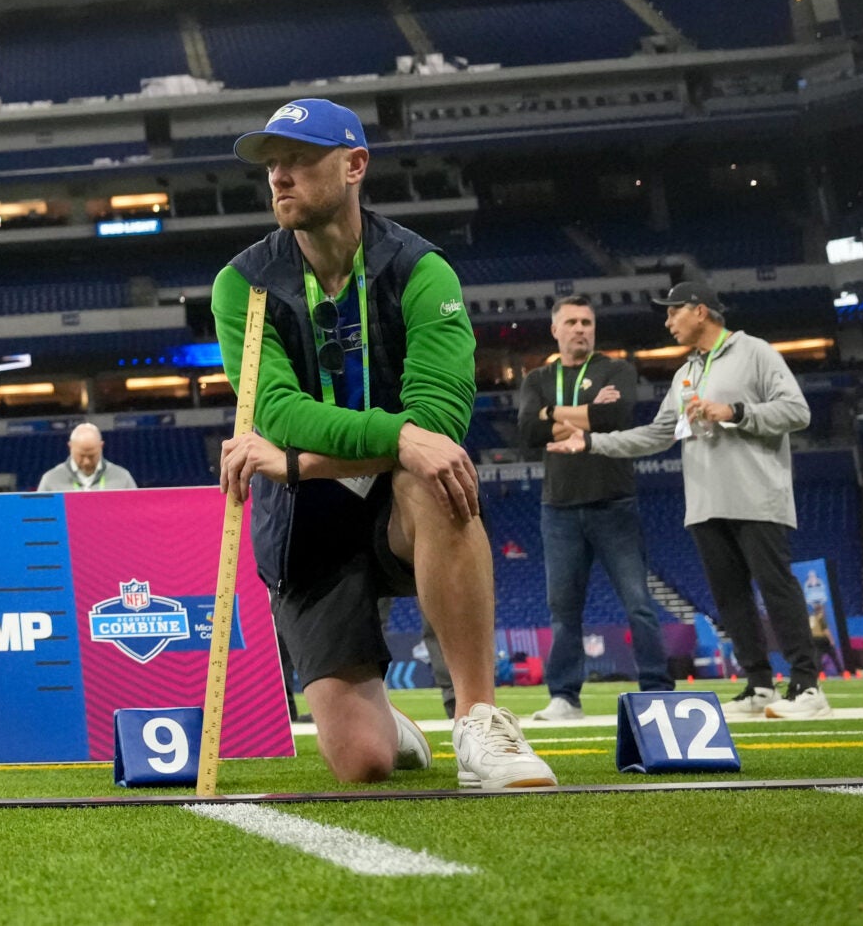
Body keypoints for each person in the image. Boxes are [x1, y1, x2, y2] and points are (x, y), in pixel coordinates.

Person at [210, 99, 556, 790]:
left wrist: (293, 462)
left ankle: (479, 719)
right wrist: (392, 436)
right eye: (272, 164)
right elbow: (277, 411)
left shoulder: (423, 271)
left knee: (434, 474)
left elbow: (440, 421)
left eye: (300, 159)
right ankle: (387, 719)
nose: (279, 177)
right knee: (364, 763)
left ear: (355, 164)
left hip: (395, 506)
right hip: (303, 526)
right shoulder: (242, 284)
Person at [552, 281, 824, 718]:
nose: (667, 321)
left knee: (776, 588)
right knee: (730, 597)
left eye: (673, 311)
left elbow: (797, 411)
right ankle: (758, 685)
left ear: (699, 312)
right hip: (704, 503)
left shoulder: (755, 352)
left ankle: (807, 688)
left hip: (756, 496)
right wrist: (592, 443)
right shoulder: (685, 374)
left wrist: (735, 411)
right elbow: (658, 435)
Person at [515, 296, 670, 723]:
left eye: (587, 322)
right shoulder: (537, 378)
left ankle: (658, 690)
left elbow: (617, 415)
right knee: (563, 610)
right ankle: (564, 697)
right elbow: (529, 429)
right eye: (571, 322)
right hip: (558, 509)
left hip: (614, 503)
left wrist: (555, 413)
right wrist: (586, 413)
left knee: (638, 602)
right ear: (555, 330)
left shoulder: (616, 369)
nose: (580, 328)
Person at [37, 423, 135, 493]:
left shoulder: (122, 478)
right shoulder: (50, 480)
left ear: (101, 446)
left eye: (92, 456)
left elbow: (136, 515)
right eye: (81, 455)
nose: (86, 462)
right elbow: (39, 517)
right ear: (70, 447)